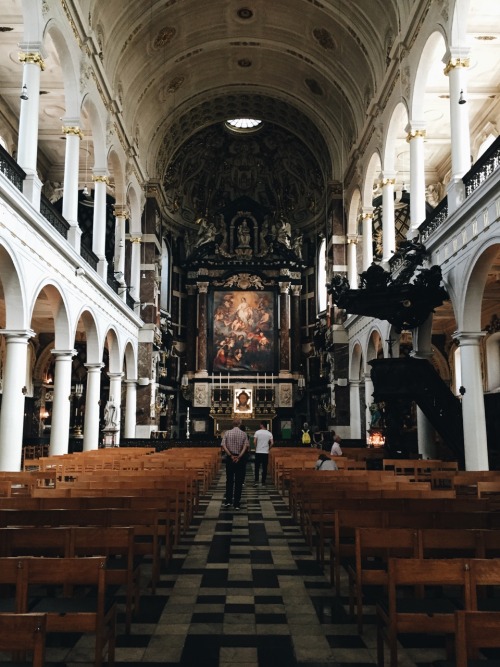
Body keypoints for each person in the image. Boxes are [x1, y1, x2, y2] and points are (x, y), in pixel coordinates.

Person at [221, 418, 249, 510]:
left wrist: (230, 455)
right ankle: (237, 503)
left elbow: (223, 445)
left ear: (232, 424)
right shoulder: (244, 434)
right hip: (240, 460)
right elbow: (245, 446)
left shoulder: (227, 433)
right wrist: (239, 456)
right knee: (238, 481)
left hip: (230, 459)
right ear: (240, 424)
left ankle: (228, 501)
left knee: (229, 480)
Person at [253, 421, 273, 487]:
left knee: (257, 467)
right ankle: (263, 481)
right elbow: (272, 443)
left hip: (258, 452)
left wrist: (256, 447)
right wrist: (268, 448)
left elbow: (254, 441)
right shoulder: (269, 433)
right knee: (264, 468)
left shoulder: (257, 432)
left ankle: (256, 481)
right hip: (265, 452)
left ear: (261, 425)